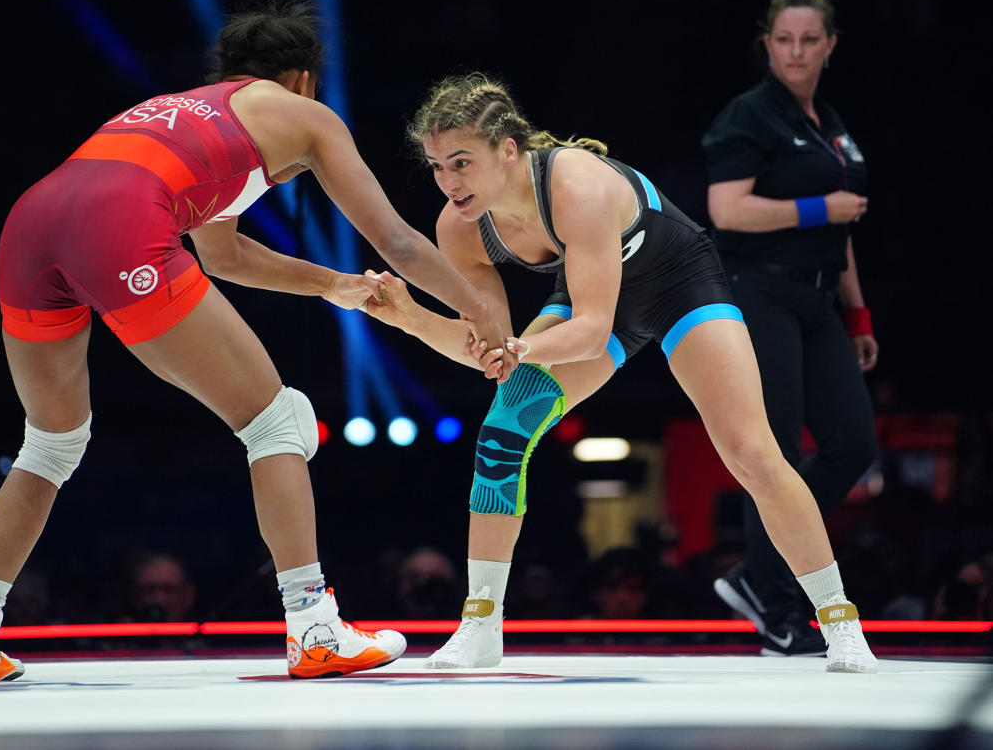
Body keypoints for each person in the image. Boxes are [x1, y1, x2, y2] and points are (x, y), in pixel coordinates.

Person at [0, 0, 514, 683]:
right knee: (277, 421)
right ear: (304, 78)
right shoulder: (303, 114)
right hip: (116, 222)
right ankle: (313, 626)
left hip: (31, 224)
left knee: (52, 441)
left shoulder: (185, 110)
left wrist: (332, 285)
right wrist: (484, 314)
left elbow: (225, 255)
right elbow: (395, 241)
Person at [363, 72, 877, 673]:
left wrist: (518, 351)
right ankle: (481, 626)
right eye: (436, 167)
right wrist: (407, 318)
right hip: (591, 297)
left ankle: (841, 622)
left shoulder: (576, 184)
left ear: (508, 150)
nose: (448, 183)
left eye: (460, 163)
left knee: (752, 453)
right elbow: (488, 345)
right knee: (503, 432)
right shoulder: (458, 228)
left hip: (679, 285)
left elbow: (585, 331)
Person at [701, 0, 879, 658]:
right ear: (767, 44)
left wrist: (857, 310)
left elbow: (846, 223)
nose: (797, 51)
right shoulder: (749, 117)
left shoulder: (829, 125)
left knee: (852, 443)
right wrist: (815, 211)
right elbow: (726, 209)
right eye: (785, 39)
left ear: (830, 45)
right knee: (768, 450)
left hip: (818, 298)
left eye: (810, 39)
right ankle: (778, 610)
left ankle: (757, 576)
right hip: (759, 293)